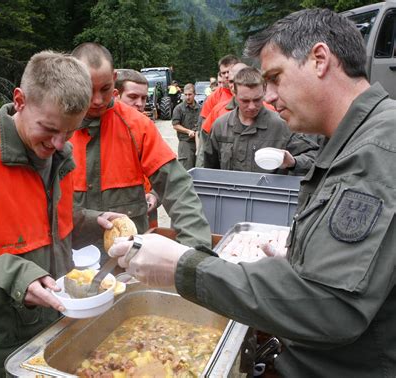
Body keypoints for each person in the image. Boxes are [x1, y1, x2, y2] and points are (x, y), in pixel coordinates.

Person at [108, 8, 396, 377]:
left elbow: (332, 306)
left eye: (275, 78)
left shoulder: (377, 152)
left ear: (320, 60)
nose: (270, 97)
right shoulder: (354, 140)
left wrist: (182, 266)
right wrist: (299, 260)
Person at [0, 51, 121, 376]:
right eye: (49, 129)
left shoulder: (59, 156)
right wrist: (19, 278)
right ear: (20, 100)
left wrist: (92, 223)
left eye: (70, 132)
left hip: (54, 333)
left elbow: (51, 222)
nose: (59, 143)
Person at [70, 43, 211, 252]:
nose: (98, 100)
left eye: (105, 89)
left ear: (114, 77)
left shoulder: (137, 126)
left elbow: (177, 187)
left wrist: (196, 251)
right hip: (71, 262)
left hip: (129, 260)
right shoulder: (55, 126)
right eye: (89, 90)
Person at [204, 67, 319, 175]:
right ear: (234, 93)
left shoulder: (282, 125)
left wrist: (293, 162)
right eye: (245, 100)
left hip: (268, 195)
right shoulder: (221, 126)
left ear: (264, 91)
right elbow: (209, 170)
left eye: (257, 99)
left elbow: (315, 157)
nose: (252, 106)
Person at [113, 68, 160, 228]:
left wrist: (154, 195)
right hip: (117, 218)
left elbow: (164, 176)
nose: (139, 104)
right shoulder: (105, 132)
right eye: (132, 97)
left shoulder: (147, 128)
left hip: (146, 215)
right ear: (115, 95)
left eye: (144, 98)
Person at [196, 55, 241, 167]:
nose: (226, 75)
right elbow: (205, 130)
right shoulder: (214, 98)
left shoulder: (253, 94)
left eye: (228, 72)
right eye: (223, 73)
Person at [171, 83, 200, 170]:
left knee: (199, 169)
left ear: (194, 94)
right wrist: (188, 131)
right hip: (185, 142)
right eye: (185, 95)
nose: (187, 97)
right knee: (186, 169)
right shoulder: (179, 108)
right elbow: (175, 125)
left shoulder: (200, 108)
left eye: (190, 94)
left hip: (198, 142)